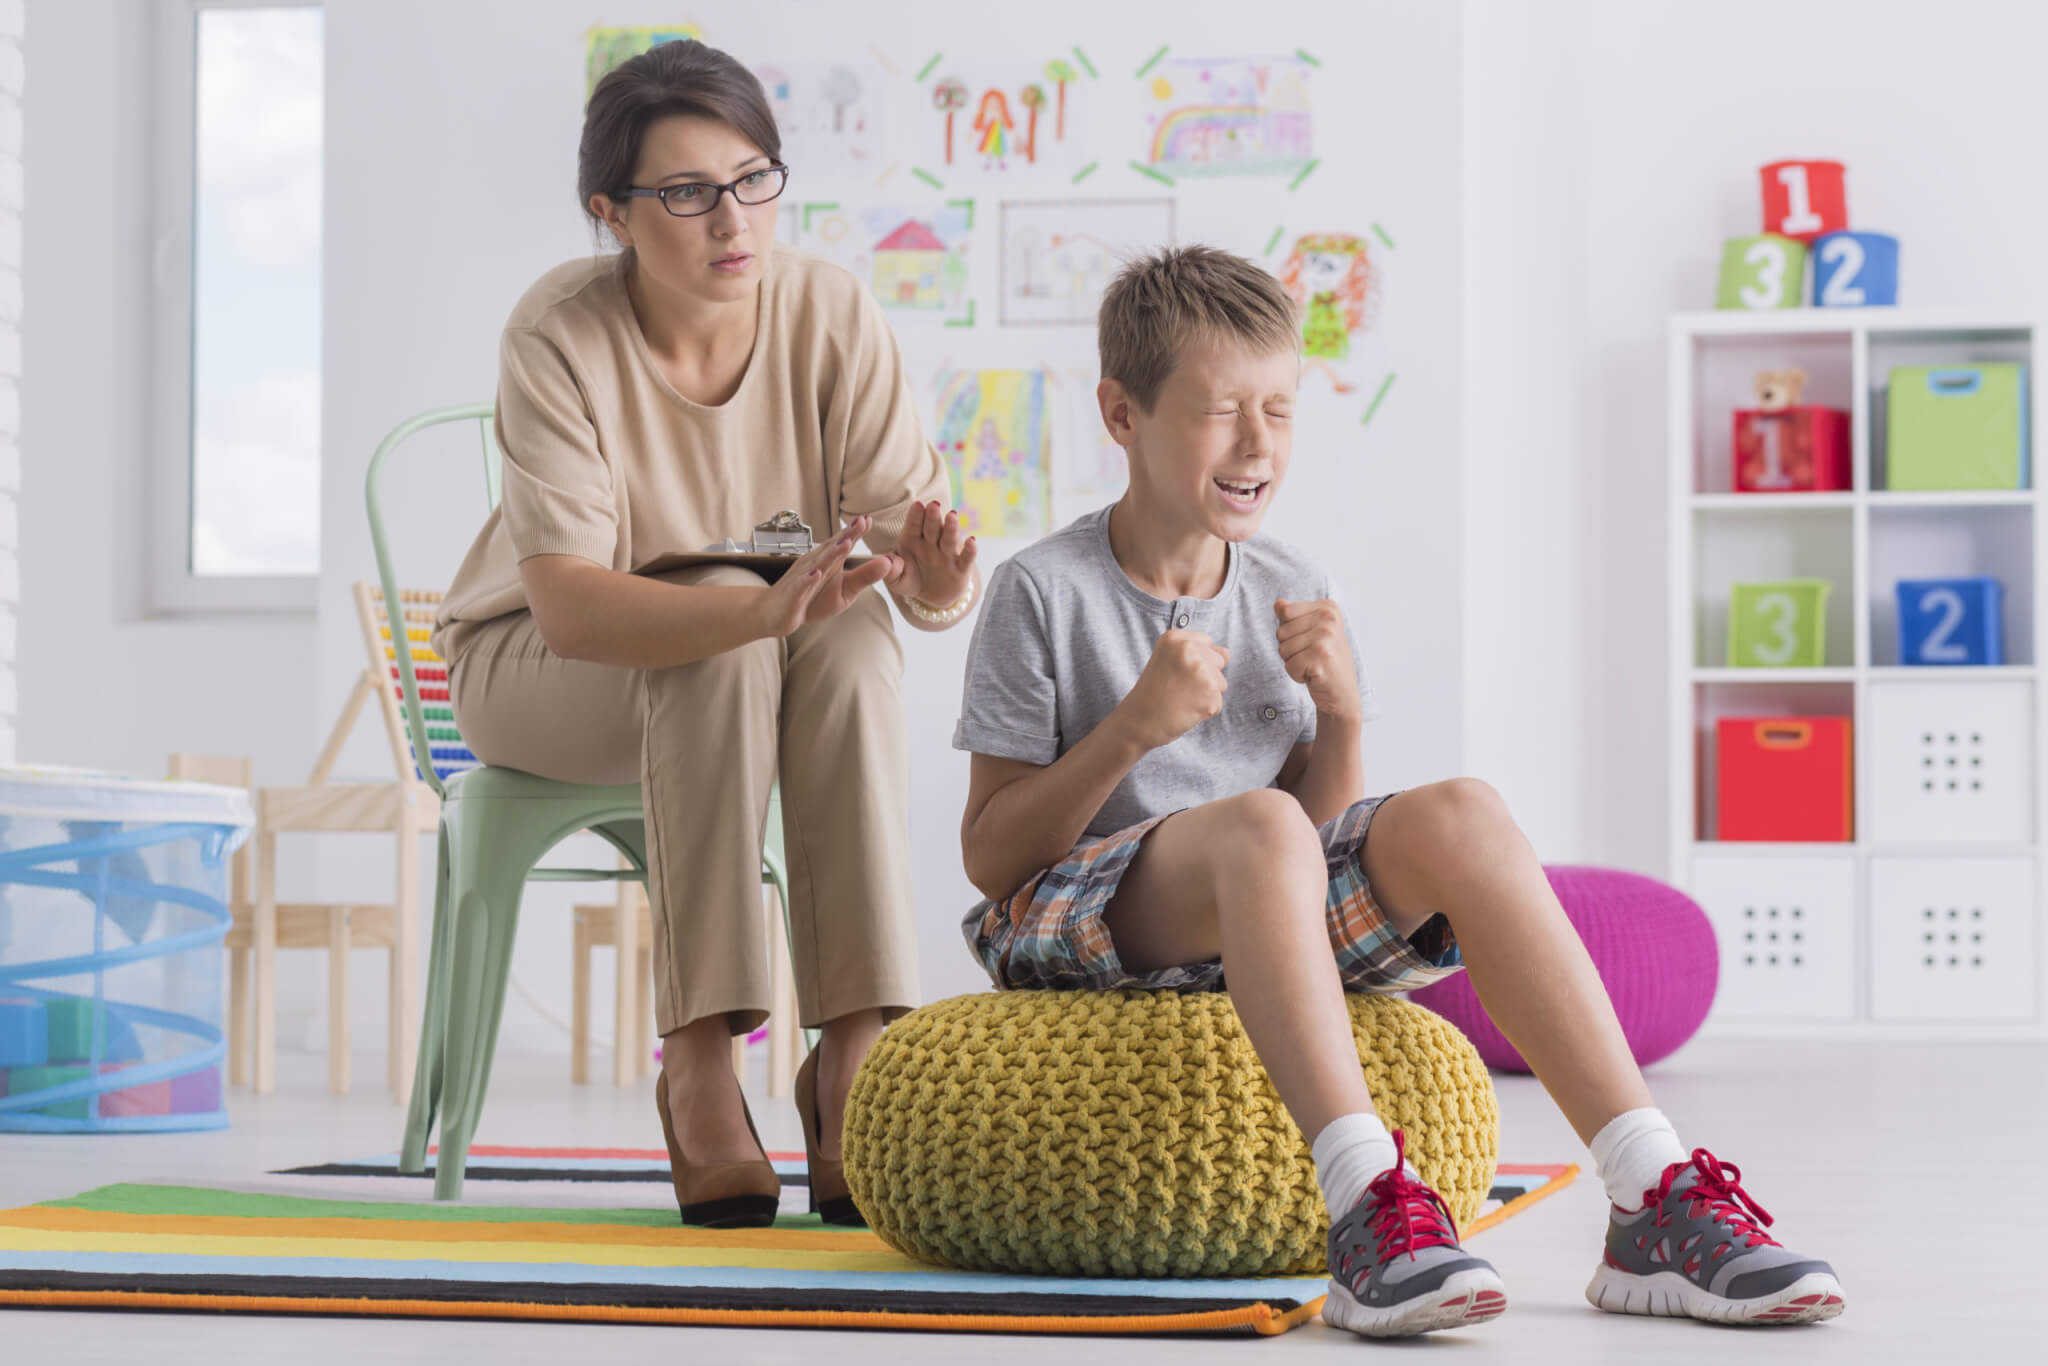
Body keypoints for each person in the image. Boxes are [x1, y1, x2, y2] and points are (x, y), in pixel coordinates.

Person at [951, 245, 1843, 1336]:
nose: (1255, 445)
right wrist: (1131, 728)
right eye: (1219, 410)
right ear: (1122, 414)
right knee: (1261, 828)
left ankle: (1648, 1193)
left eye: (1278, 411)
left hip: (1251, 886)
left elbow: (1313, 847)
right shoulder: (1040, 589)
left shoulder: (1289, 583)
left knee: (1461, 809)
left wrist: (1343, 714)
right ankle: (1367, 1206)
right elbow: (993, 856)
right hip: (1074, 912)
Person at [432, 41, 979, 1229]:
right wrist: (756, 607)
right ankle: (697, 1058)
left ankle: (855, 1051)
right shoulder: (558, 331)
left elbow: (904, 567)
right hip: (534, 661)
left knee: (853, 646)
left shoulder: (830, 310)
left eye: (752, 181)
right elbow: (574, 606)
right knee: (728, 643)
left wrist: (935, 579)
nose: (730, 221)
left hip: (761, 646)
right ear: (610, 214)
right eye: (684, 193)